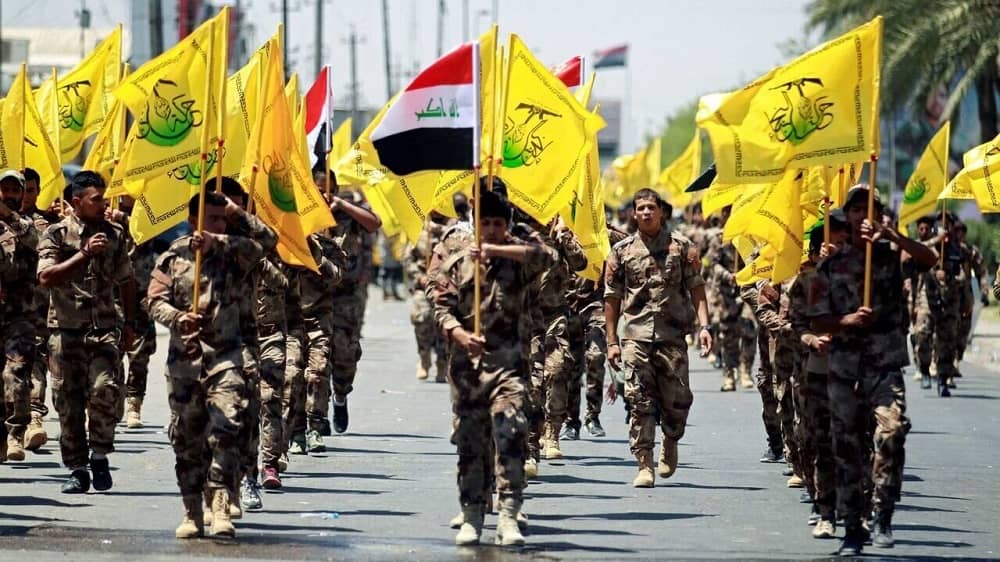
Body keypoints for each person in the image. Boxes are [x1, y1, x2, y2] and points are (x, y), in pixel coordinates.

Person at [808, 185, 936, 556]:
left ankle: (883, 513)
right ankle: (852, 526)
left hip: (884, 363)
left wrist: (893, 234)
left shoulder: (892, 254)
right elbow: (816, 319)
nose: (862, 215)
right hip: (845, 367)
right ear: (845, 217)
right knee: (846, 446)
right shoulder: (830, 265)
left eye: (870, 210)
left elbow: (929, 259)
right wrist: (845, 320)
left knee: (892, 432)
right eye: (855, 210)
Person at [147, 191, 276, 538]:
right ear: (193, 221)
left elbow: (268, 241)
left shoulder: (237, 253)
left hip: (227, 356)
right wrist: (177, 318)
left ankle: (220, 505)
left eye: (223, 218)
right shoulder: (173, 257)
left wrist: (233, 219)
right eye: (213, 218)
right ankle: (192, 511)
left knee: (226, 429)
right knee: (188, 440)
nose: (219, 223)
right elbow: (154, 301)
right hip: (185, 361)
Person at [432, 188, 556, 546]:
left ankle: (508, 514)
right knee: (471, 444)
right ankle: (472, 514)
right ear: (474, 223)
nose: (490, 229)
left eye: (497, 223)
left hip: (509, 368)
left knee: (511, 434)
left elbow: (546, 257)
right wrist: (458, 334)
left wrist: (497, 250)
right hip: (468, 370)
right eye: (484, 223)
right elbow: (440, 305)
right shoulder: (456, 261)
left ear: (507, 225)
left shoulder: (517, 255)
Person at [605, 188, 712, 488]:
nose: (646, 213)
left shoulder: (683, 248)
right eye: (640, 208)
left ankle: (671, 438)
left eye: (651, 207)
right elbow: (611, 298)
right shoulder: (621, 252)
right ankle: (644, 464)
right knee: (639, 400)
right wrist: (611, 341)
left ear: (661, 212)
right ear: (633, 213)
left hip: (672, 337)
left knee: (677, 401)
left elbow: (697, 288)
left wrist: (705, 327)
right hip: (635, 337)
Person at [37, 170, 136, 493]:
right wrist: (84, 253)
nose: (102, 205)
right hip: (65, 331)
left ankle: (99, 454)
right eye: (96, 200)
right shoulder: (55, 234)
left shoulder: (115, 234)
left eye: (104, 199)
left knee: (105, 390)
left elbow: (127, 281)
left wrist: (132, 323)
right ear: (76, 202)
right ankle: (77, 468)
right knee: (68, 401)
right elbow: (47, 277)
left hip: (104, 329)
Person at [314, 171, 381, 435]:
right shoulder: (305, 213)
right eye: (318, 189)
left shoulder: (347, 213)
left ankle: (340, 395)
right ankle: (316, 419)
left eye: (327, 189)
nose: (323, 193)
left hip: (345, 294)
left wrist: (342, 205)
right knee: (315, 359)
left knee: (344, 355)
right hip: (314, 293)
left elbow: (374, 223)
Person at [0, 170, 40, 463]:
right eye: (6, 189)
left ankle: (16, 433)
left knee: (15, 375)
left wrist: (8, 216)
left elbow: (34, 240)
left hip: (21, 316)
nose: (11, 195)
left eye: (17, 190)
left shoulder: (30, 224)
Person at [20, 168, 58, 451]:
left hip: (37, 307)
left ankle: (34, 416)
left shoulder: (48, 225)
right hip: (7, 306)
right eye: (19, 189)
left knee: (36, 359)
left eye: (31, 190)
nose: (24, 196)